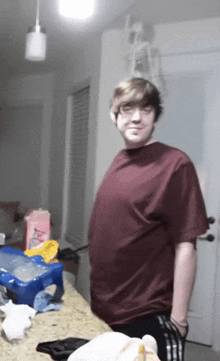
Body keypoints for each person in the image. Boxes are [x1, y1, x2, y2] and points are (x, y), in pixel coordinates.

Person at [88, 77, 209, 361]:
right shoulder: (120, 160)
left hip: (147, 316)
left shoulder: (175, 164)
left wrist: (178, 320)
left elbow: (186, 246)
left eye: (146, 109)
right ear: (114, 115)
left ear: (155, 115)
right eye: (127, 108)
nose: (137, 117)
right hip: (107, 311)